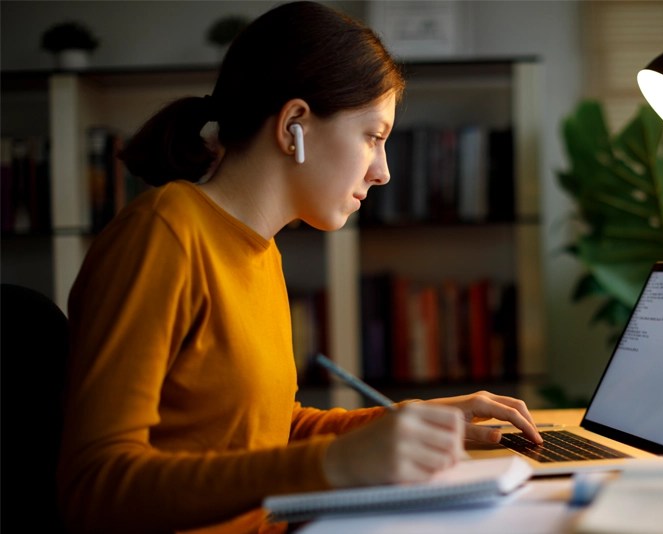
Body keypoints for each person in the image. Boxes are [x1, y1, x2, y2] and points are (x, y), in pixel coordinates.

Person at [57, 2, 543, 533]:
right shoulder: (163, 235)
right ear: (294, 126)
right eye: (373, 137)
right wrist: (333, 465)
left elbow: (267, 432)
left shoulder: (261, 249)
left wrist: (407, 422)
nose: (382, 172)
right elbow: (94, 486)